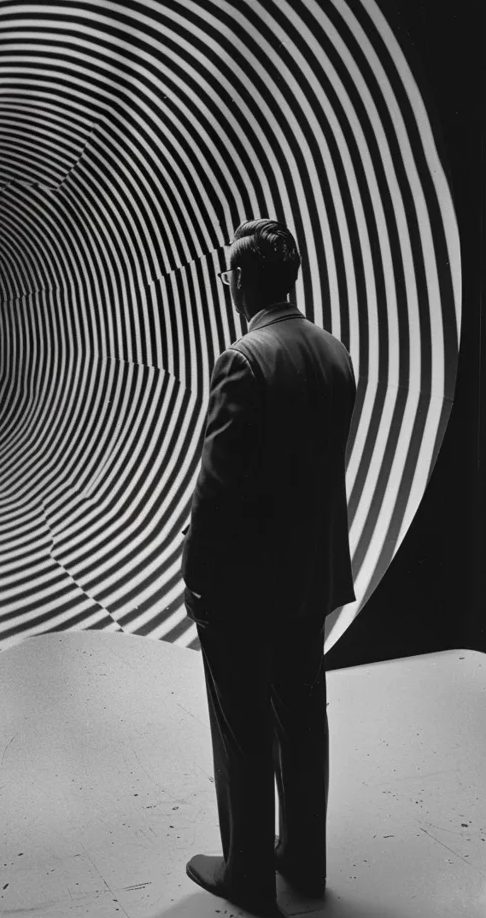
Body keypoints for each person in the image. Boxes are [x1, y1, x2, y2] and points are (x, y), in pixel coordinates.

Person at [182, 219, 357, 917]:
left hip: (246, 584)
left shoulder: (243, 359)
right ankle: (304, 861)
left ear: (241, 281)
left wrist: (197, 578)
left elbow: (217, 490)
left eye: (226, 276)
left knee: (243, 728)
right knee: (301, 717)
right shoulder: (333, 351)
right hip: (310, 573)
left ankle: (248, 875)